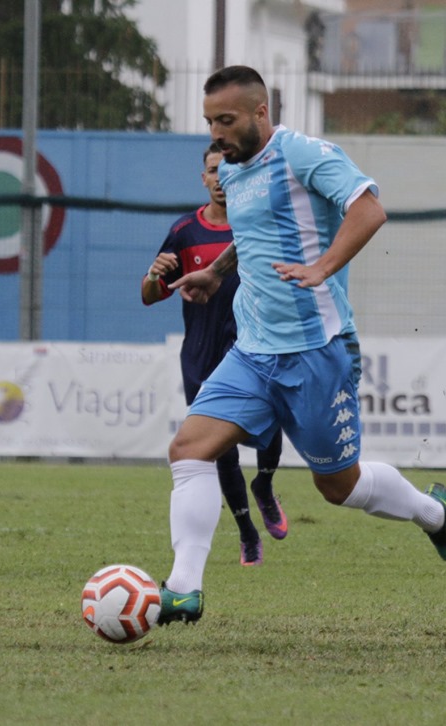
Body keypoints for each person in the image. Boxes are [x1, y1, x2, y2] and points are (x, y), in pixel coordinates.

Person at [156, 65, 446, 626]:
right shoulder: (233, 169)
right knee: (189, 449)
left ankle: (432, 513)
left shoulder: (301, 153)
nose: (217, 133)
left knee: (337, 486)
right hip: (252, 350)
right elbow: (252, 237)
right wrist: (218, 273)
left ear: (259, 112)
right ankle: (184, 588)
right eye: (209, 122)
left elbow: (368, 208)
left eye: (226, 120)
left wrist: (322, 266)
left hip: (316, 351)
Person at [142, 142, 287, 567]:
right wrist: (154, 275)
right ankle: (246, 532)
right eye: (212, 171)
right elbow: (151, 295)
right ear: (203, 178)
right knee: (218, 448)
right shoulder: (185, 231)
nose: (221, 178)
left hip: (254, 345)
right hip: (202, 354)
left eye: (228, 169)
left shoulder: (258, 224)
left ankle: (265, 484)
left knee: (270, 423)